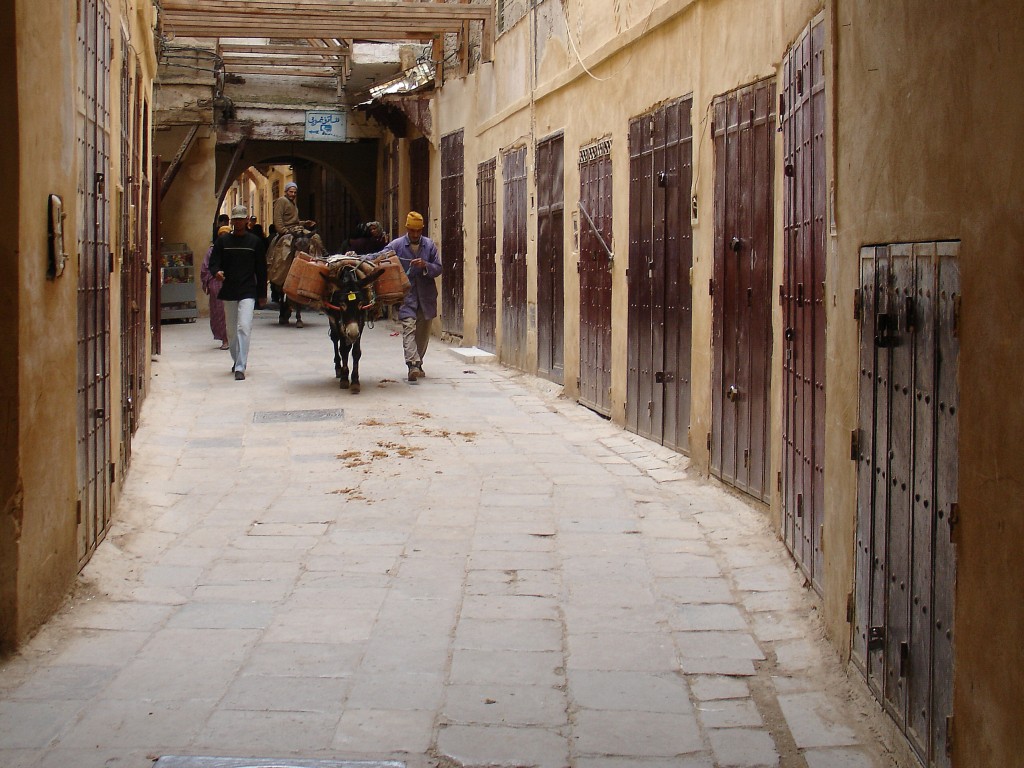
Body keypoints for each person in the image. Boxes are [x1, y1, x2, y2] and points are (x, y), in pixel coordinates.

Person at [209, 204, 268, 381]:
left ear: (246, 220)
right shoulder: (223, 242)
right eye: (235, 219)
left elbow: (261, 270)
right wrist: (216, 272)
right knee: (231, 331)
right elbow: (214, 262)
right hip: (229, 290)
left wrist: (262, 294)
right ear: (232, 221)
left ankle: (241, 366)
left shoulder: (255, 243)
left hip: (248, 290)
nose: (238, 222)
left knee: (244, 327)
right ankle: (236, 360)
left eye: (241, 219)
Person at [386, 211, 441, 382]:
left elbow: (438, 268)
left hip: (426, 296)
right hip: (407, 297)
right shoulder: (397, 245)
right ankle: (412, 364)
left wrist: (425, 265)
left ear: (422, 229)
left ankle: (418, 361)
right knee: (409, 328)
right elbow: (380, 257)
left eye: (418, 231)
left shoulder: (429, 246)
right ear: (407, 229)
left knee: (423, 333)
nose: (415, 234)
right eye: (412, 231)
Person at [271, 181, 317, 328]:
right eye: (291, 192)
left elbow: (294, 221)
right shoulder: (281, 201)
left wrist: (304, 223)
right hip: (287, 232)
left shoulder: (292, 203)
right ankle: (281, 272)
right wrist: (286, 232)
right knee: (285, 250)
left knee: (315, 239)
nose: (293, 194)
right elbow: (279, 222)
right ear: (286, 192)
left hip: (297, 229)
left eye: (295, 192)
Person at [200, 225, 231, 349]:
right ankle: (224, 338)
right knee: (220, 312)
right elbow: (205, 268)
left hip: (232, 284)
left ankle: (233, 337)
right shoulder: (212, 251)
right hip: (217, 285)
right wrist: (211, 279)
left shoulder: (234, 248)